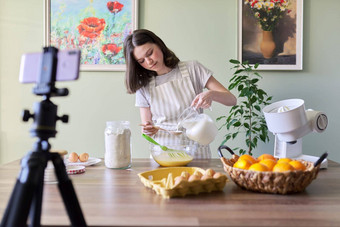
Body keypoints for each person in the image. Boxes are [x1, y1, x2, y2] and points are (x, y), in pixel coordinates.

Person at [123, 29, 236, 159]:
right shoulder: (143, 86)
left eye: (150, 53)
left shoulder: (193, 69)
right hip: (164, 154)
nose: (149, 62)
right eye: (141, 61)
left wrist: (211, 94)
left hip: (197, 150)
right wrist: (148, 129)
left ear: (159, 44)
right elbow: (147, 126)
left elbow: (232, 100)